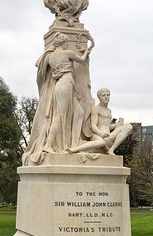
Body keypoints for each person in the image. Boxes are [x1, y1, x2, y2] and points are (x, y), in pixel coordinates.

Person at [22, 33, 94, 165]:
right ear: (63, 42)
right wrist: (87, 51)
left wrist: (48, 51)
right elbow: (82, 60)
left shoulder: (49, 56)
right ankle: (48, 144)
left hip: (59, 86)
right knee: (59, 116)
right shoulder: (68, 53)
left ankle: (73, 142)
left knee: (78, 113)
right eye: (66, 41)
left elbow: (37, 63)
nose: (67, 44)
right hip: (65, 83)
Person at [68, 88, 133, 155]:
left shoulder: (109, 111)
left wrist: (118, 124)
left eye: (108, 95)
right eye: (103, 95)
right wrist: (100, 133)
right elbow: (93, 125)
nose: (106, 97)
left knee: (128, 126)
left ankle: (111, 149)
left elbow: (108, 126)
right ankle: (76, 149)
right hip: (97, 135)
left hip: (108, 135)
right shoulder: (96, 109)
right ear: (99, 98)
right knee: (102, 142)